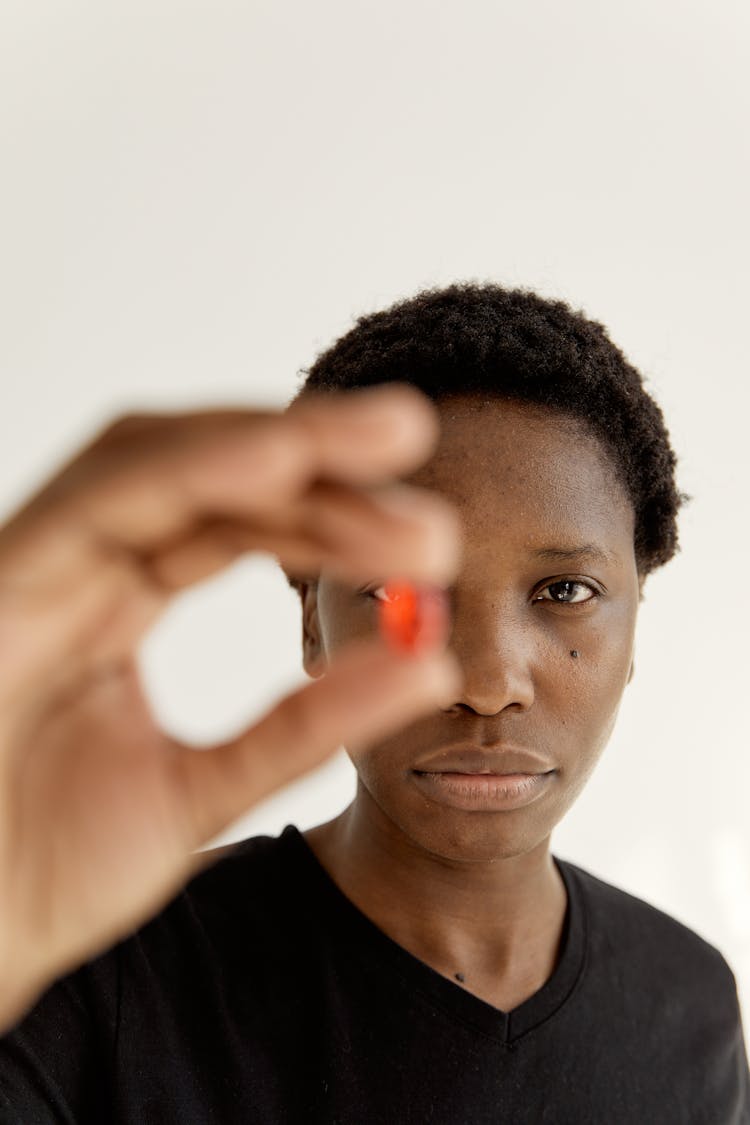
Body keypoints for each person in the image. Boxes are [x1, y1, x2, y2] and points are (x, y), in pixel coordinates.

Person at [0, 283, 748, 1123]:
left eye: (565, 588)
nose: (487, 681)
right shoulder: (99, 965)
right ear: (313, 622)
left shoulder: (692, 1006)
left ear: (638, 616)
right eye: (402, 594)